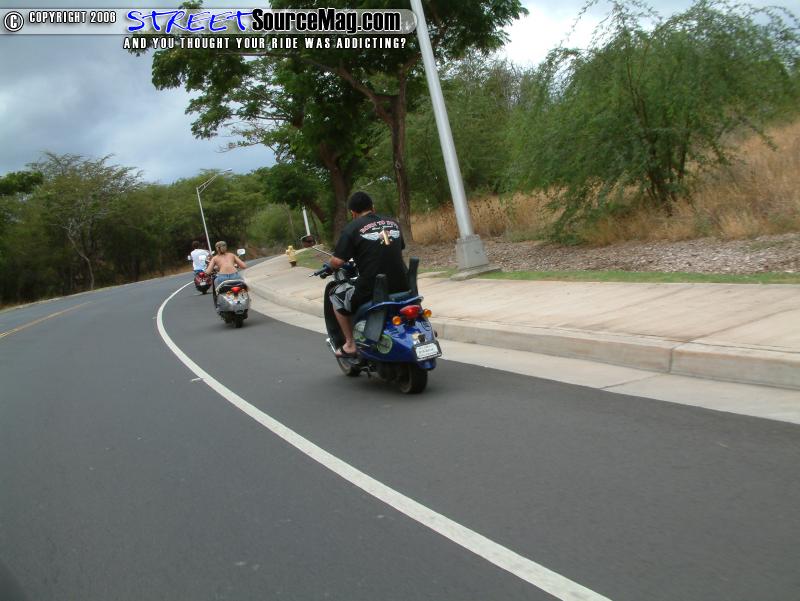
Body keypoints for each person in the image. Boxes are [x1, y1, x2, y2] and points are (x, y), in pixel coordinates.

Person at [327, 191, 407, 358]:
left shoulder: (352, 228)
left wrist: (330, 265)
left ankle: (350, 344)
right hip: (403, 284)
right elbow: (397, 247)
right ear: (373, 207)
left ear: (353, 213)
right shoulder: (393, 223)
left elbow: (338, 261)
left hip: (372, 289)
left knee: (336, 295)